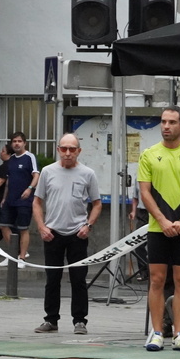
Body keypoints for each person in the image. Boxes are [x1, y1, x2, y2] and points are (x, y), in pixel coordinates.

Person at [138, 106, 180, 352]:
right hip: (158, 229)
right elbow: (145, 192)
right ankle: (157, 333)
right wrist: (163, 221)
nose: (166, 126)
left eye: (172, 122)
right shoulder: (148, 155)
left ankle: (179, 334)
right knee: (156, 280)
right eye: (163, 122)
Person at [32, 133, 102, 336]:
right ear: (58, 150)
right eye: (64, 149)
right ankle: (50, 319)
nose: (68, 153)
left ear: (79, 151)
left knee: (78, 279)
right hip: (52, 233)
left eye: (72, 149)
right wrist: (41, 227)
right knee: (52, 278)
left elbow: (97, 204)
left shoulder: (88, 173)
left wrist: (88, 225)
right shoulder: (47, 172)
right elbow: (37, 202)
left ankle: (80, 320)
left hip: (77, 233)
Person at [0, 132, 39, 266]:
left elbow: (36, 175)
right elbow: (8, 180)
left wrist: (29, 188)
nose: (16, 144)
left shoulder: (29, 157)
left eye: (19, 141)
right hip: (10, 199)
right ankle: (13, 255)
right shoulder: (11, 160)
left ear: (24, 143)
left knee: (23, 228)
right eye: (14, 141)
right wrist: (4, 198)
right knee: (3, 225)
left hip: (24, 200)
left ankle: (22, 258)